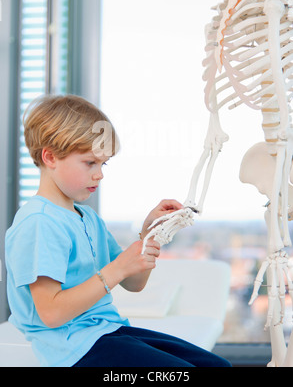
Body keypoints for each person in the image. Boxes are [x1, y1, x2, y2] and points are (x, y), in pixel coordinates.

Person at [5, 94, 231, 368]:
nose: (100, 174)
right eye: (90, 163)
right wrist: (116, 270)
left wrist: (149, 234)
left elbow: (134, 284)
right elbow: (51, 313)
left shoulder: (87, 217)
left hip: (107, 331)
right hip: (72, 348)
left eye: (103, 164)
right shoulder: (39, 223)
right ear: (50, 157)